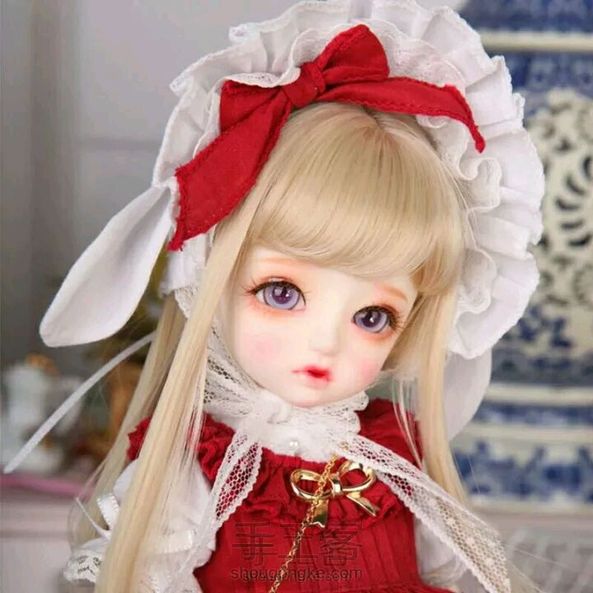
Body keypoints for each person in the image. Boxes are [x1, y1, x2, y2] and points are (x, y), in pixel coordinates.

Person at [13, 2, 544, 592]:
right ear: (209, 278)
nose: (325, 342)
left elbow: (438, 572)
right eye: (282, 293)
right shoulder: (202, 467)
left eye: (373, 316)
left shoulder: (395, 456)